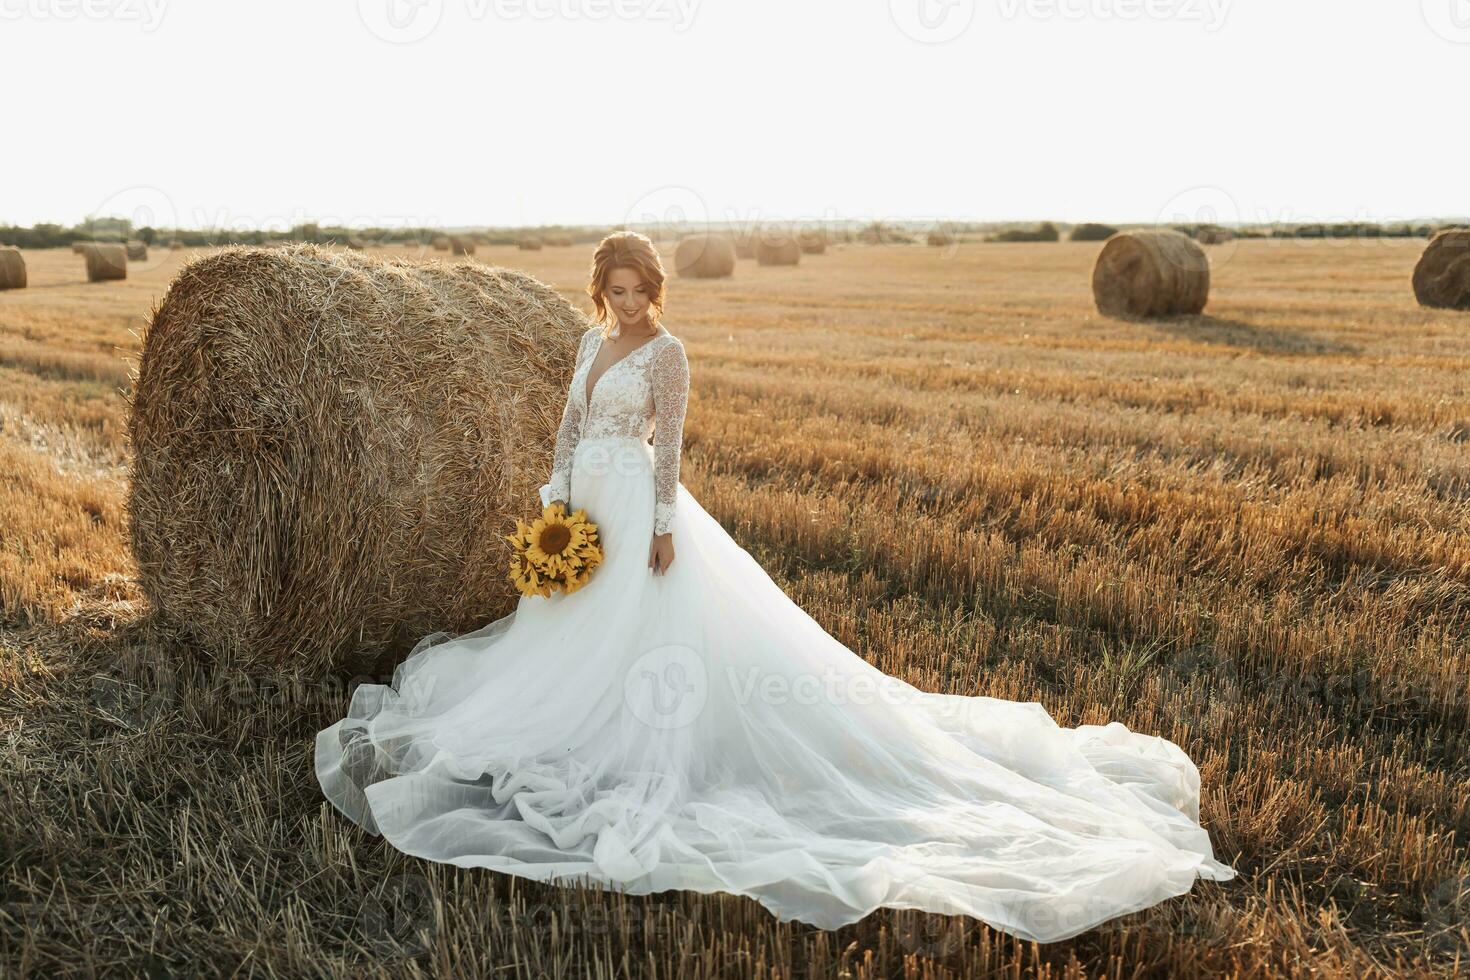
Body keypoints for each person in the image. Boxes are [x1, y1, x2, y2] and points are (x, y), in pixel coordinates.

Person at [315, 230, 1236, 943]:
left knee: (644, 639)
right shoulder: (592, 345)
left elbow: (667, 446)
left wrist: (666, 526)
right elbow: (565, 429)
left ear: (655, 292)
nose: (628, 304)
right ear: (602, 291)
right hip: (581, 505)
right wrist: (555, 502)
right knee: (559, 631)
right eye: (616, 292)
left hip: (637, 502)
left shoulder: (665, 354)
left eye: (639, 291)